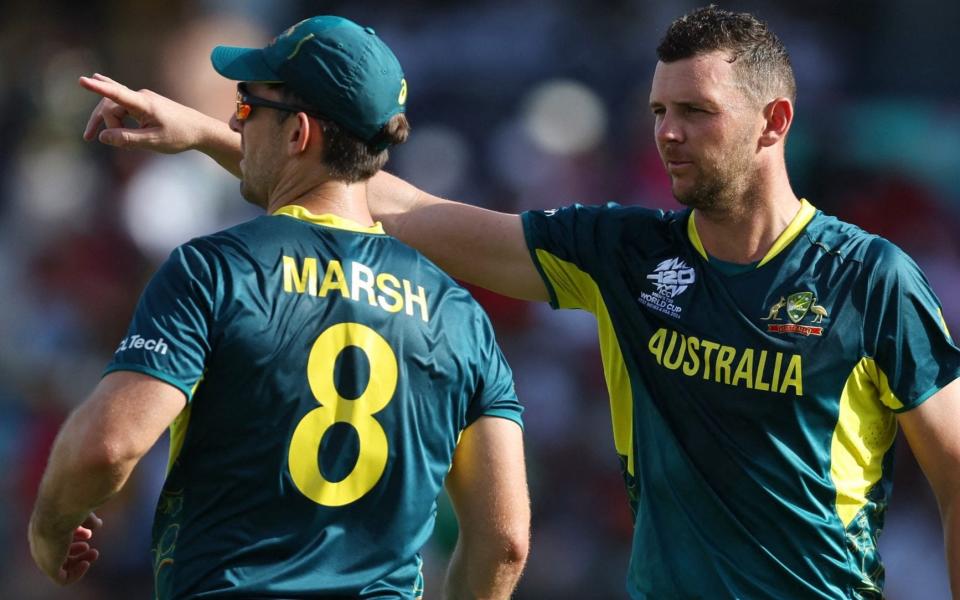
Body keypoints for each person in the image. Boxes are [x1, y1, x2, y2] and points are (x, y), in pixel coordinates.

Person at [78, 6, 960, 599]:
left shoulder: (869, 279)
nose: (668, 134)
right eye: (658, 111)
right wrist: (202, 133)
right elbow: (394, 206)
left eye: (695, 111)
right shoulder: (625, 255)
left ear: (774, 122)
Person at [29, 15, 530, 600]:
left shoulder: (214, 271)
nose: (237, 128)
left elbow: (107, 446)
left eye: (245, 108)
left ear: (297, 134)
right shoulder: (461, 315)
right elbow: (505, 539)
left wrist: (49, 528)